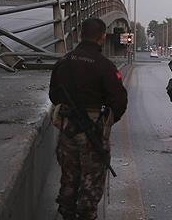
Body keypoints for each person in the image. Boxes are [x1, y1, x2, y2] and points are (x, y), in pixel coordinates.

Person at [49, 18, 128, 220]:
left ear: (81, 35)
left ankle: (66, 213)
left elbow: (53, 94)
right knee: (91, 181)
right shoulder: (105, 66)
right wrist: (105, 121)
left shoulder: (63, 62)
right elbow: (119, 101)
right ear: (102, 37)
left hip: (67, 128)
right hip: (93, 130)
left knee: (69, 177)